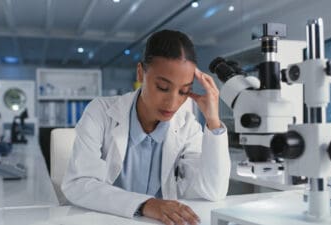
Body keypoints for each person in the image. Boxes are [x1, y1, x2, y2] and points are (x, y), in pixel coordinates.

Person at [62, 29, 231, 225]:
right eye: (162, 87)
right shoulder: (100, 112)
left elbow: (213, 191)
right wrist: (147, 204)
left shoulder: (187, 125)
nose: (173, 102)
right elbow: (78, 183)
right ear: (141, 73)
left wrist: (213, 120)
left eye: (184, 91)